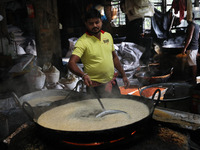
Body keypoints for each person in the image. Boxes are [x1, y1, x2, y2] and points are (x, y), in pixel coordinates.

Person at [68, 8, 130, 97]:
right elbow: (71, 63)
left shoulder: (107, 36)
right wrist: (83, 75)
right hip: (94, 87)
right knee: (98, 110)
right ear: (86, 24)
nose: (95, 25)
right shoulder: (82, 41)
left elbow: (114, 57)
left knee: (117, 106)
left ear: (101, 21)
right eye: (91, 23)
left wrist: (124, 75)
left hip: (111, 83)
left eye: (97, 22)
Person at [182, 13, 199, 84]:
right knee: (192, 63)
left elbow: (189, 37)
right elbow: (197, 37)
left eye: (186, 17)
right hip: (195, 46)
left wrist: (184, 48)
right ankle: (192, 79)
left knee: (193, 64)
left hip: (191, 47)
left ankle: (193, 80)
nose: (186, 19)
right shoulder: (197, 25)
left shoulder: (191, 25)